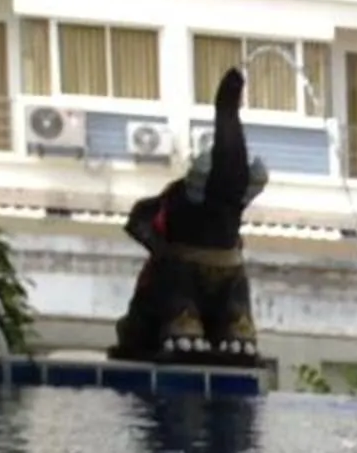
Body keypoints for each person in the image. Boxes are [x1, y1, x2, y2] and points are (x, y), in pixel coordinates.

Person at [112, 67, 268, 364]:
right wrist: (163, 250)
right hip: (179, 274)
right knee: (176, 301)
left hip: (227, 265)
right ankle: (182, 326)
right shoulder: (174, 211)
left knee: (235, 311)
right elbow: (142, 220)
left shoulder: (225, 217)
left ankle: (232, 330)